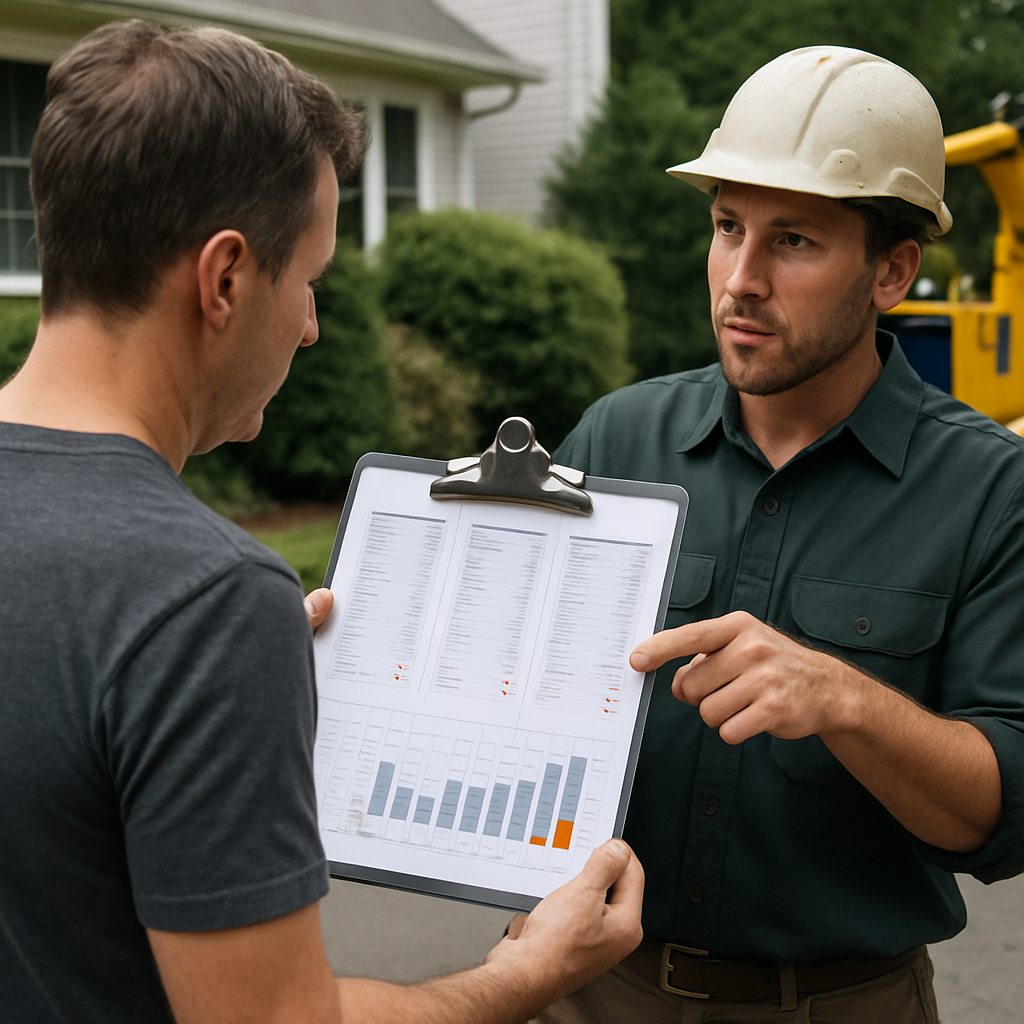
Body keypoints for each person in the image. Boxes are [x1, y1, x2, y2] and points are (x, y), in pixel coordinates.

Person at [0, 20, 643, 1024]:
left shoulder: (197, 628)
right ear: (222, 279)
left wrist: (200, 702)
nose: (310, 324)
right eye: (308, 279)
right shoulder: (203, 603)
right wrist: (526, 973)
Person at [534, 45, 1024, 1023]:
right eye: (726, 228)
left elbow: (997, 810)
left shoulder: (989, 489)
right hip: (591, 992)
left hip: (844, 1002)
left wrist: (843, 698)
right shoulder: (617, 436)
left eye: (792, 241)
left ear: (891, 271)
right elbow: (516, 689)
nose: (740, 280)